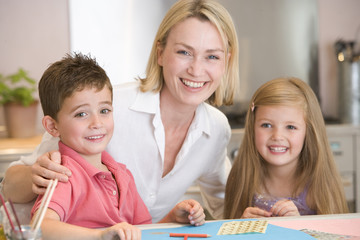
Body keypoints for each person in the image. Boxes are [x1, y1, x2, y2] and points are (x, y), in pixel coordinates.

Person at [2, 0, 239, 223]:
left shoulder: (216, 129)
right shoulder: (106, 109)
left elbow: (225, 203)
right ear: (160, 53)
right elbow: (9, 187)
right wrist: (37, 173)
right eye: (184, 52)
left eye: (212, 56)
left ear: (226, 62)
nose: (196, 70)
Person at [31, 52, 151, 240]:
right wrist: (100, 235)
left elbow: (144, 232)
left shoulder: (123, 174)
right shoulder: (64, 175)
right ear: (53, 126)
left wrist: (174, 219)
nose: (97, 123)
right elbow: (40, 228)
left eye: (104, 111)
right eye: (81, 114)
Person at [224, 77, 349, 219]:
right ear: (252, 128)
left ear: (309, 132)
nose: (277, 136)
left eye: (290, 127)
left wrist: (298, 224)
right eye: (266, 125)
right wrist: (241, 226)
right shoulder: (241, 179)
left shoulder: (319, 184)